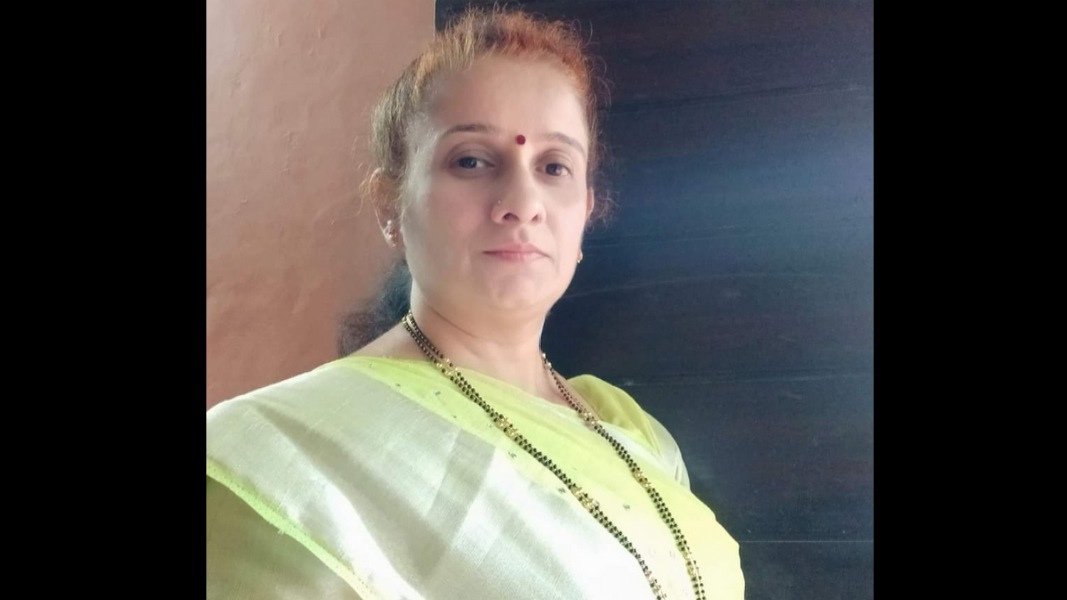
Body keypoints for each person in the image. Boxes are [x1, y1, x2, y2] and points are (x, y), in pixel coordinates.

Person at [206, 7, 744, 599]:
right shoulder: (282, 456)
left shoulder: (630, 429)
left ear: (587, 210)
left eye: (554, 166)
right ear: (390, 206)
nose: (523, 201)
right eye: (471, 161)